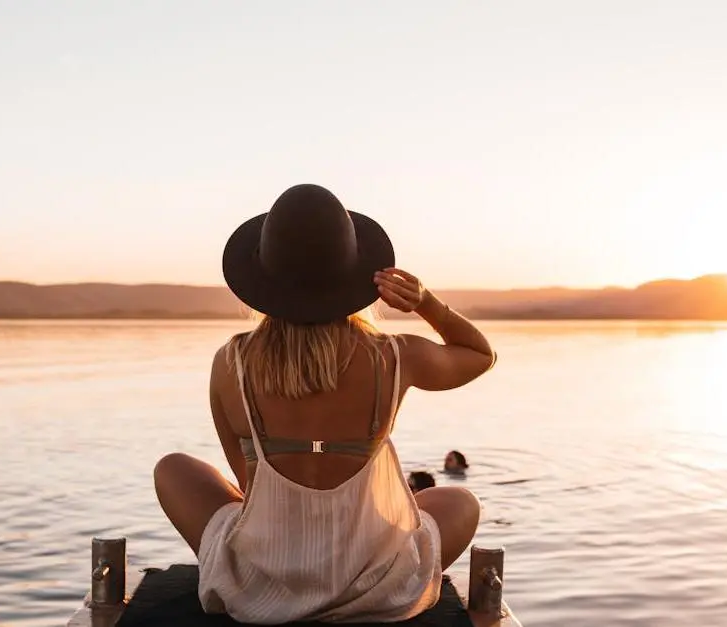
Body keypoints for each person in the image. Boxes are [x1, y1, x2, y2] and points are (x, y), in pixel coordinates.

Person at [153, 183, 496, 624]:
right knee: (461, 502)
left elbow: (247, 488)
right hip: (377, 589)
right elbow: (480, 355)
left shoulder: (230, 363)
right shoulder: (394, 356)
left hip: (260, 588)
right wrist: (425, 302)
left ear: (264, 281)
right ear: (354, 276)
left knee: (173, 470)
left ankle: (289, 572)